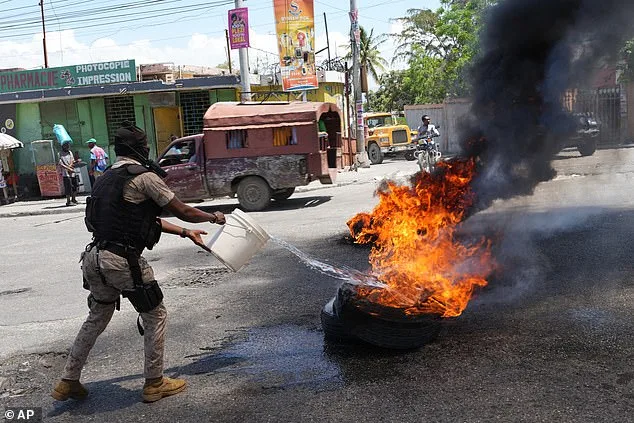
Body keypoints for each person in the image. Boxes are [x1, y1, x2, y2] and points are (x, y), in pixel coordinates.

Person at [51, 121, 226, 403]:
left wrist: (184, 233)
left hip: (94, 258)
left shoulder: (108, 176)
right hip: (122, 261)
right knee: (155, 313)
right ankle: (155, 383)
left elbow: (142, 219)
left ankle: (67, 380)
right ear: (138, 149)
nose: (148, 150)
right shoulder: (144, 177)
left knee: (97, 317)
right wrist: (212, 217)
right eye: (145, 146)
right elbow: (181, 209)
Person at [58, 141, 78, 206]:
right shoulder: (60, 154)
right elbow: (60, 163)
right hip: (65, 173)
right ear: (63, 146)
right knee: (68, 187)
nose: (67, 147)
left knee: (75, 185)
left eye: (68, 145)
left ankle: (74, 199)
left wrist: (70, 166)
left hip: (72, 172)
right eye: (66, 145)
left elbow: (72, 160)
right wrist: (68, 168)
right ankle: (68, 201)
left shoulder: (70, 152)